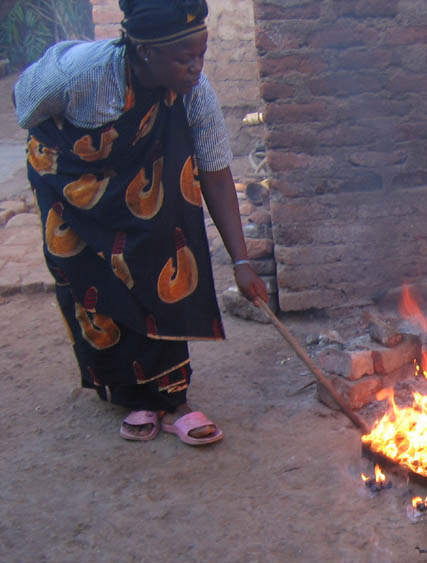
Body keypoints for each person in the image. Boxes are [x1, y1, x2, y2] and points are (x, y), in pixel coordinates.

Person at [13, 0, 268, 446]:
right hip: (70, 182)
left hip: (140, 187)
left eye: (201, 54)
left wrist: (242, 261)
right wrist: (83, 165)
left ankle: (174, 399)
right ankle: (133, 397)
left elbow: (213, 170)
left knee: (166, 248)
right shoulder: (79, 74)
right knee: (88, 275)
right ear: (145, 50)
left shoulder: (195, 91)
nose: (195, 67)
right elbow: (25, 107)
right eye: (183, 57)